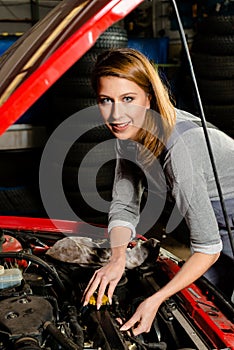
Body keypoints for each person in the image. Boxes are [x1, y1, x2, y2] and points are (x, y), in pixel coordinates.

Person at [83, 48, 234, 335]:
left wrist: (156, 299)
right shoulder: (129, 132)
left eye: (128, 99)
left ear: (149, 97)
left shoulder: (180, 151)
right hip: (215, 212)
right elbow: (125, 206)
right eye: (106, 100)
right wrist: (118, 258)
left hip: (227, 209)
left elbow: (207, 248)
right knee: (205, 304)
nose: (116, 114)